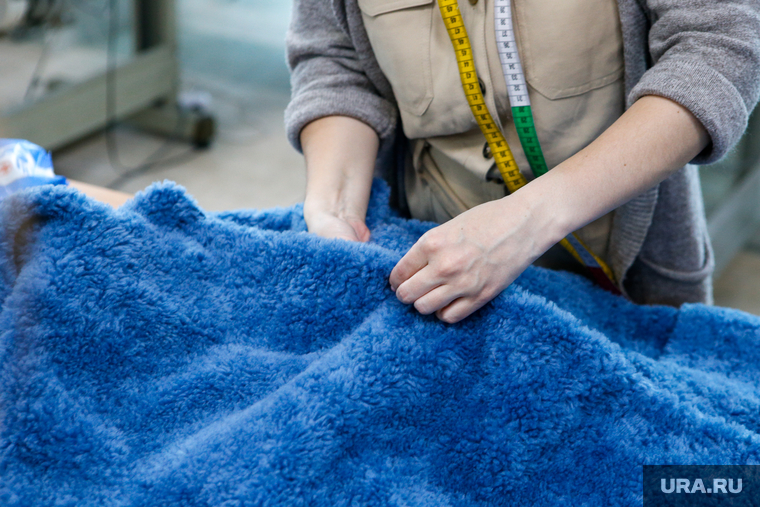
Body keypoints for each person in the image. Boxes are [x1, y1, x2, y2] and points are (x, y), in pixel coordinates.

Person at [285, 0, 760, 323]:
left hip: (623, 275)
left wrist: (525, 222)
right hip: (429, 259)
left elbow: (718, 48)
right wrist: (334, 208)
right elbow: (336, 61)